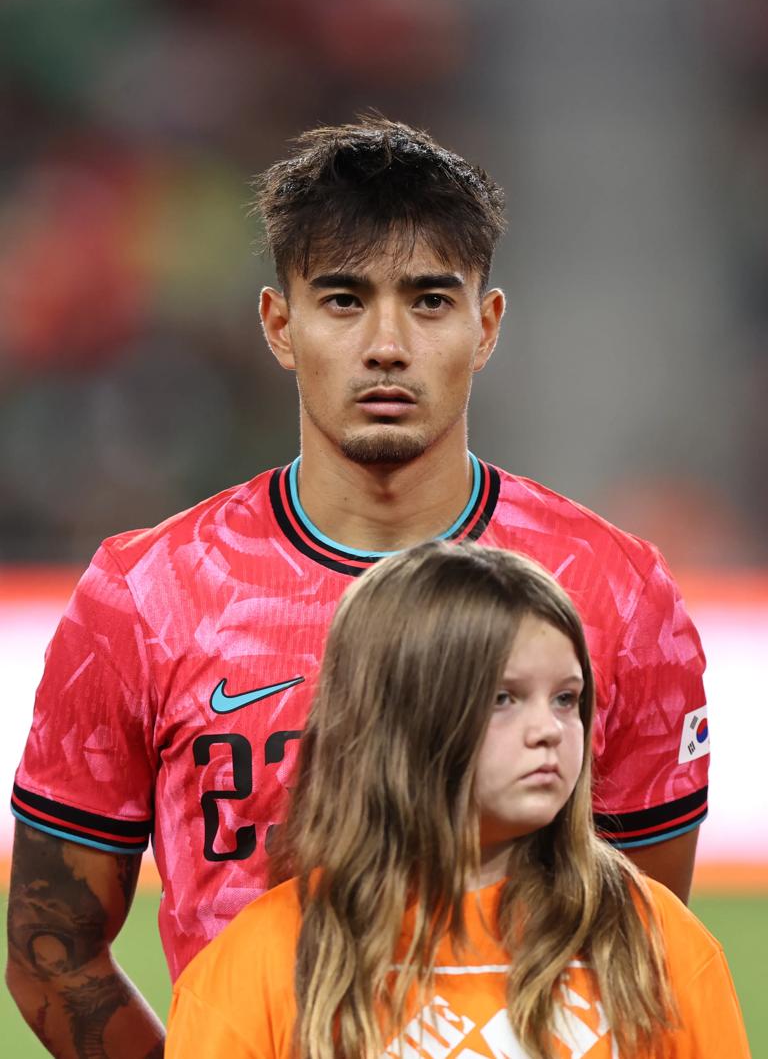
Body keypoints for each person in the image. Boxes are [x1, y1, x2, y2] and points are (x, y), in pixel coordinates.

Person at [7, 117, 710, 1056]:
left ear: (485, 325)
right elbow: (50, 946)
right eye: (343, 301)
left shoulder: (617, 593)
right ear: (279, 324)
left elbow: (645, 938)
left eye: (429, 302)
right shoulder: (146, 596)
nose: (387, 344)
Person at [165, 542, 746, 1059]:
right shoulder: (263, 960)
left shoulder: (655, 939)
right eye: (503, 698)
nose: (549, 730)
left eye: (566, 699)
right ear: (400, 718)